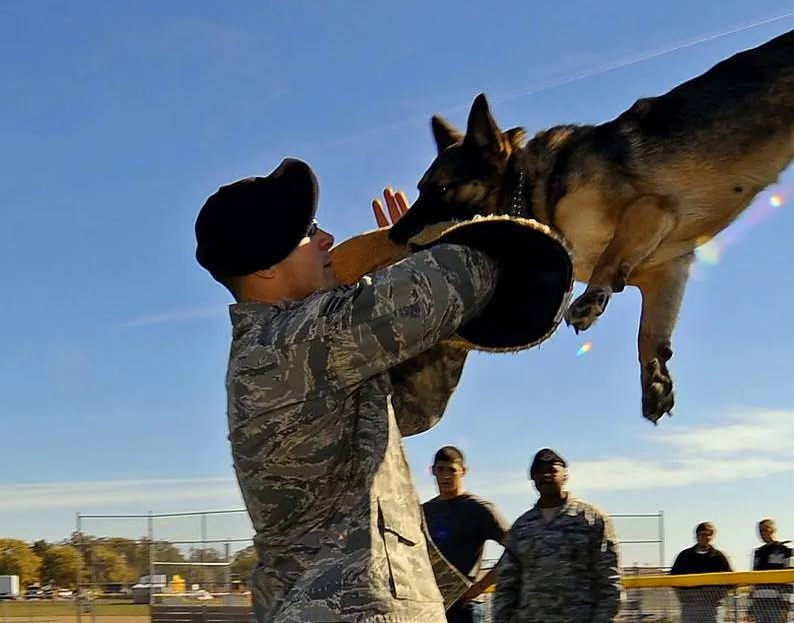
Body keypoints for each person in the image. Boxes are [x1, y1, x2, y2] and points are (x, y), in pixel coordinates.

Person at [199, 162, 500, 623]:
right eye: (308, 232)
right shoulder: (294, 341)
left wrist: (409, 269)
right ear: (264, 266)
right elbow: (467, 273)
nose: (327, 239)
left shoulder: (304, 346)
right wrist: (434, 236)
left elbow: (415, 410)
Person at [492, 449, 622, 623]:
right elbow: (506, 584)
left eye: (552, 471)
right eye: (539, 472)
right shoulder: (522, 527)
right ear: (532, 479)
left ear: (565, 476)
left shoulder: (591, 519)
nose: (545, 475)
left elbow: (610, 580)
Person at [422, 446, 509, 623]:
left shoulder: (478, 508)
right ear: (432, 471)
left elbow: (515, 548)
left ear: (463, 472)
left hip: (464, 606)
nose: (446, 475)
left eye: (452, 470)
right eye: (440, 469)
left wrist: (480, 586)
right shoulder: (424, 512)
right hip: (431, 604)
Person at [669, 522, 733, 623]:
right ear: (697, 536)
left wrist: (716, 596)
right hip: (690, 607)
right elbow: (672, 580)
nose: (706, 537)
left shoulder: (718, 557)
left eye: (709, 535)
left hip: (713, 607)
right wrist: (684, 598)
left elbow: (731, 581)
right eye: (703, 534)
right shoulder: (685, 556)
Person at [749, 519, 794, 623]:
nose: (762, 533)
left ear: (773, 530)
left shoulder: (786, 550)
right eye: (760, 531)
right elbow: (753, 579)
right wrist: (751, 607)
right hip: (759, 604)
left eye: (765, 530)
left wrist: (786, 605)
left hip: (778, 604)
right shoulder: (758, 552)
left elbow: (792, 579)